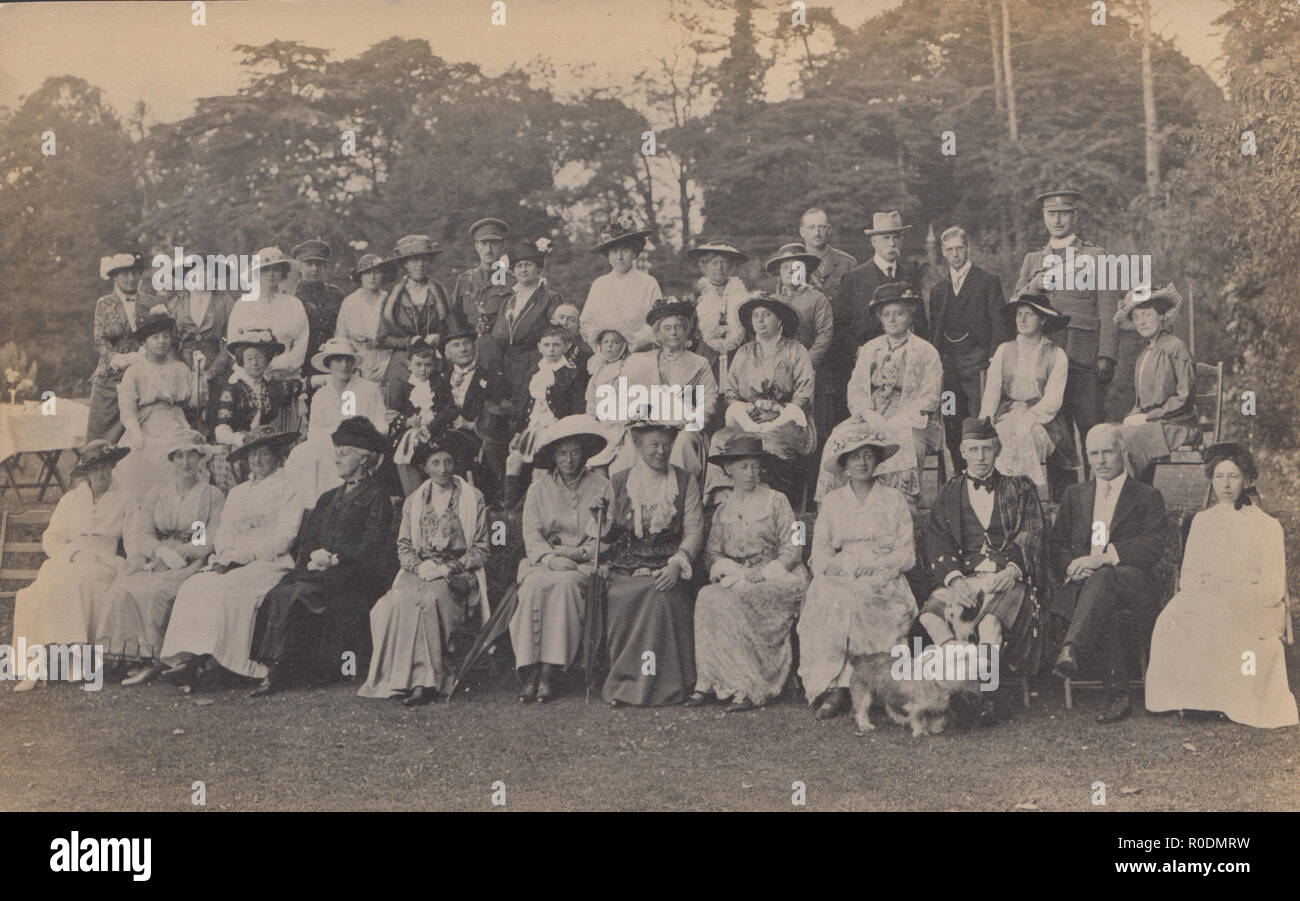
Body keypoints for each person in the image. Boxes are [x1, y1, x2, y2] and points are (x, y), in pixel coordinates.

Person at [1146, 443, 1297, 728]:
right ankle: (1190, 699)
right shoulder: (1202, 522)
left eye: (1233, 476)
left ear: (1247, 480)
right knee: (1174, 615)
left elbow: (1274, 585)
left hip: (1255, 603)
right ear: (1211, 479)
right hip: (1209, 596)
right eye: (1219, 477)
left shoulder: (1266, 526)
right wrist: (1208, 591)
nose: (1226, 484)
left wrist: (1237, 594)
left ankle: (1224, 700)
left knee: (1220, 616)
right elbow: (1189, 576)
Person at [249, 417, 398, 696]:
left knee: (302, 594)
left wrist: (338, 559)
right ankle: (276, 667)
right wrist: (315, 554)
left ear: (364, 458)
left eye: (344, 453)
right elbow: (310, 538)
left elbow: (374, 544)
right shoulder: (328, 497)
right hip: (321, 568)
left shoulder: (377, 496)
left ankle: (285, 671)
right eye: (336, 452)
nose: (337, 458)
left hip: (357, 574)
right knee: (282, 590)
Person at [159, 427, 304, 690]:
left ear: (277, 456)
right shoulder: (237, 493)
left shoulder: (288, 490)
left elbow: (285, 537)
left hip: (269, 562)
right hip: (232, 559)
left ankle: (224, 662)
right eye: (253, 456)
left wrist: (247, 556)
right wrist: (226, 554)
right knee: (196, 586)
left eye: (264, 454)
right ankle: (192, 657)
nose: (257, 461)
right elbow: (223, 532)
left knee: (229, 589)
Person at [1049, 424, 1173, 723]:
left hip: (1134, 584)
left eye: (1108, 451)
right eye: (1094, 453)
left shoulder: (1146, 496)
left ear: (1124, 452)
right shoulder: (1074, 494)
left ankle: (1071, 647)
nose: (1101, 460)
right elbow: (1056, 544)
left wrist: (1103, 559)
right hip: (1087, 589)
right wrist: (1072, 565)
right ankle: (1119, 695)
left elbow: (1154, 546)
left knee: (1104, 575)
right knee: (1107, 605)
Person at [360, 430, 488, 705]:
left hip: (456, 574)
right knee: (396, 602)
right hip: (420, 569)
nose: (442, 469)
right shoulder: (414, 501)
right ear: (424, 467)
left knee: (429, 601)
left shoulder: (471, 498)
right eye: (435, 463)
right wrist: (419, 567)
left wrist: (449, 568)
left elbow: (481, 549)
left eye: (448, 462)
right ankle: (398, 680)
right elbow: (404, 545)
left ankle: (428, 682)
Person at [797, 422, 915, 719]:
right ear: (844, 465)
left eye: (867, 455)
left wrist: (878, 566)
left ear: (876, 460)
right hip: (843, 571)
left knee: (862, 596)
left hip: (881, 573)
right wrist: (833, 568)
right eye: (854, 457)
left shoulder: (893, 499)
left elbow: (906, 551)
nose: (862, 462)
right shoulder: (834, 502)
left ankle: (882, 686)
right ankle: (836, 686)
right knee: (828, 597)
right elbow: (820, 551)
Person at [687, 434, 808, 712]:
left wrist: (763, 573)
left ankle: (751, 686)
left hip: (780, 578)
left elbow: (793, 548)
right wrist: (730, 570)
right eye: (743, 467)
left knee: (739, 599)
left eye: (755, 466)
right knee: (707, 596)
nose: (750, 473)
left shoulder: (777, 501)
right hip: (739, 577)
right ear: (729, 469)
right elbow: (713, 554)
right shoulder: (723, 510)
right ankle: (709, 680)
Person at [919, 418, 1048, 678]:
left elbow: (1032, 532)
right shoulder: (949, 493)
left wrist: (1012, 570)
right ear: (963, 452)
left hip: (1008, 580)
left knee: (990, 624)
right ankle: (964, 680)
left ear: (997, 450)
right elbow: (937, 540)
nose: (981, 457)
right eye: (974, 450)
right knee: (930, 618)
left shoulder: (1020, 487)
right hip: (964, 578)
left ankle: (986, 692)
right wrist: (954, 580)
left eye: (987, 449)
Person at [102, 431, 226, 686]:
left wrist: (181, 552)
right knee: (126, 586)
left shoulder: (211, 495)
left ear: (201, 458)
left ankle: (158, 659)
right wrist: (160, 551)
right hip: (159, 556)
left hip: (191, 561)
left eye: (191, 455)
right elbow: (143, 533)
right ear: (171, 460)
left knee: (160, 591)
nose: (185, 462)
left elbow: (209, 537)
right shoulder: (157, 494)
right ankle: (130, 657)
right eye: (179, 456)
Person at [10, 441, 131, 692]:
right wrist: (72, 553)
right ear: (86, 472)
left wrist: (120, 563)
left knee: (75, 582)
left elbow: (134, 541)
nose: (102, 474)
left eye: (106, 466)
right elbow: (51, 538)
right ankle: (36, 663)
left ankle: (75, 665)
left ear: (113, 466)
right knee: (41, 589)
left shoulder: (125, 499)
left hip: (102, 562)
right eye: (95, 468)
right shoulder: (71, 500)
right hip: (69, 558)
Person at [510, 416, 613, 703]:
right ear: (553, 456)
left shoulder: (601, 485)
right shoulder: (538, 489)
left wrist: (580, 553)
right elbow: (531, 533)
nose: (569, 460)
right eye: (562, 453)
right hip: (546, 561)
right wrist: (550, 558)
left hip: (582, 562)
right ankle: (530, 669)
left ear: (584, 454)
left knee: (565, 586)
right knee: (533, 586)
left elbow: (604, 534)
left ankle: (551, 670)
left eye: (575, 452)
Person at [602, 418, 703, 706]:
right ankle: (627, 684)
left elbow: (694, 529)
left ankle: (663, 686)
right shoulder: (620, 481)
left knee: (661, 596)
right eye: (654, 444)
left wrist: (677, 563)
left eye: (667, 444)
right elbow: (609, 533)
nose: (661, 451)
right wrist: (598, 518)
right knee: (630, 595)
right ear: (638, 444)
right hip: (628, 566)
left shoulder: (685, 481)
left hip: (669, 565)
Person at [1017, 189, 1123, 463]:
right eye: (1051, 214)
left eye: (1063, 213)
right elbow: (1016, 306)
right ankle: (1061, 499)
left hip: (1084, 355)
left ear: (1075, 216)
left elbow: (1109, 309)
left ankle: (1099, 490)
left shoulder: (1097, 256)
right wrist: (1033, 286)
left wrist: (1107, 355)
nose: (1057, 220)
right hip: (1047, 356)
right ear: (1044, 218)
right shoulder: (1033, 260)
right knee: (1053, 428)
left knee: (1092, 426)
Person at [820, 282, 941, 509]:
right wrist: (866, 412)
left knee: (906, 441)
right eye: (887, 314)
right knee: (839, 436)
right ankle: (843, 506)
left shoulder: (926, 350)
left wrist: (901, 418)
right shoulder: (870, 349)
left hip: (911, 416)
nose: (893, 319)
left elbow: (932, 395)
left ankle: (900, 506)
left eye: (899, 313)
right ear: (880, 318)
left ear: (910, 315)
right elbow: (855, 388)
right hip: (871, 412)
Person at [705, 295, 814, 504]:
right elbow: (731, 391)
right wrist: (748, 409)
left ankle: (769, 503)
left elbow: (805, 392)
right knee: (720, 440)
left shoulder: (795, 350)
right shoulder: (744, 352)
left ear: (779, 320)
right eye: (756, 316)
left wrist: (779, 411)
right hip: (749, 419)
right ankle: (724, 501)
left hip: (787, 421)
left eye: (767, 315)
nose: (760, 320)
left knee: (767, 442)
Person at [830, 211, 927, 424]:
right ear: (873, 241)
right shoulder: (855, 278)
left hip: (904, 367)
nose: (891, 242)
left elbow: (920, 323)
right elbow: (839, 326)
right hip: (865, 367)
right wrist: (857, 352)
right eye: (885, 237)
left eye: (896, 237)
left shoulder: (910, 275)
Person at [979, 288, 1073, 498]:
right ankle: (1003, 497)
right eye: (1019, 314)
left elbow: (1053, 400)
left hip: (1044, 421)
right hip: (1008, 413)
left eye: (1029, 314)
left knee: (1025, 434)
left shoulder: (1056, 355)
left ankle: (1022, 496)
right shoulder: (1004, 350)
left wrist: (1029, 418)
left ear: (1042, 320)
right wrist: (985, 420)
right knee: (1001, 435)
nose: (1022, 319)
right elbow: (992, 391)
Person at [927, 226, 1009, 468]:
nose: (955, 254)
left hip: (977, 365)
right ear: (943, 252)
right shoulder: (938, 290)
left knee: (979, 419)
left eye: (959, 248)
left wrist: (993, 358)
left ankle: (984, 471)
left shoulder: (987, 282)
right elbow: (934, 330)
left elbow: (999, 325)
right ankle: (961, 474)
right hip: (949, 369)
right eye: (949, 250)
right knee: (952, 418)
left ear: (968, 249)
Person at [610, 299, 717, 479]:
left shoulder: (699, 363)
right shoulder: (643, 361)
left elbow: (709, 399)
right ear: (658, 334)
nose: (673, 333)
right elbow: (625, 396)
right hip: (651, 425)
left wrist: (692, 421)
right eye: (667, 329)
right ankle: (630, 496)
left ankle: (679, 492)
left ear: (686, 331)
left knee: (683, 442)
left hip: (684, 426)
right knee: (632, 444)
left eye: (678, 327)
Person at [285, 336, 389, 504]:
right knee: (300, 455)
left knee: (345, 458)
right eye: (338, 360)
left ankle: (338, 502)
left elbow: (381, 423)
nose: (344, 365)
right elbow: (315, 432)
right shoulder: (321, 395)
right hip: (328, 445)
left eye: (348, 360)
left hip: (360, 444)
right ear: (328, 364)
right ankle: (313, 505)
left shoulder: (368, 389)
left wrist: (366, 436)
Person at [1112, 284, 1197, 480]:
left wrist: (1149, 417)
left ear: (1161, 316)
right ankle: (1118, 499)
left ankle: (1134, 500)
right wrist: (1133, 416)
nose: (1142, 322)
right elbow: (1141, 403)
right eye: (1137, 317)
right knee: (1109, 437)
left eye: (1147, 315)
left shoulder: (1176, 347)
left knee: (1131, 440)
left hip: (1178, 425)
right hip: (1153, 424)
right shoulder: (1144, 355)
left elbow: (1185, 398)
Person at [114, 311, 199, 498]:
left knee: (183, 455)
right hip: (146, 424)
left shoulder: (180, 369)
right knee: (136, 458)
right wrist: (135, 431)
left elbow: (195, 402)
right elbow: (127, 408)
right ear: (144, 343)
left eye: (165, 336)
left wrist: (200, 374)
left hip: (174, 422)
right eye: (155, 337)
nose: (161, 341)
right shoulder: (134, 372)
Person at [210, 329, 300, 491]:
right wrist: (240, 439)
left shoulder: (271, 387)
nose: (255, 363)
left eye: (259, 358)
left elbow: (299, 385)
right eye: (250, 359)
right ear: (242, 361)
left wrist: (322, 379)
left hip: (265, 442)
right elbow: (221, 430)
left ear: (267, 360)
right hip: (238, 445)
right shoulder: (233, 389)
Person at [377, 234, 452, 401]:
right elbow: (383, 337)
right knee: (395, 397)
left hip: (433, 358)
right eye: (414, 260)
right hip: (403, 359)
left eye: (425, 259)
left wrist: (439, 336)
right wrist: (408, 342)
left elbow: (450, 326)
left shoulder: (438, 290)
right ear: (405, 264)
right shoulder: (393, 294)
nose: (420, 265)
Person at [89, 252, 150, 441]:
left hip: (143, 373)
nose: (131, 279)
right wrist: (116, 358)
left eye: (135, 273)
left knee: (142, 430)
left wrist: (145, 354)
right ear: (114, 276)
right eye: (125, 274)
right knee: (101, 435)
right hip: (111, 375)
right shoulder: (104, 303)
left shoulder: (151, 302)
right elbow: (100, 339)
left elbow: (159, 335)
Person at [579, 216, 662, 354]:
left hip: (640, 354)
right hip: (607, 355)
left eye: (625, 250)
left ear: (635, 253)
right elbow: (586, 322)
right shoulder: (599, 284)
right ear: (608, 256)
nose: (619, 257)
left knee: (626, 377)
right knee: (610, 375)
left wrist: (633, 341)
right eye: (614, 251)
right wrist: (602, 343)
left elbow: (657, 321)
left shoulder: (648, 283)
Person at [225, 247, 310, 381]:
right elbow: (233, 343)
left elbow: (301, 343)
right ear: (257, 273)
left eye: (276, 269)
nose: (271, 274)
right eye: (265, 270)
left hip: (284, 374)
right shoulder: (243, 304)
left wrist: (279, 364)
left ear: (282, 272)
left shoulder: (294, 304)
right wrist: (253, 365)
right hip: (249, 374)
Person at [489, 238, 564, 390]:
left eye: (528, 265)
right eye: (519, 266)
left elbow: (555, 334)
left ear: (538, 268)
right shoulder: (509, 299)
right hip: (506, 365)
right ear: (513, 270)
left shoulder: (550, 298)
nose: (523, 270)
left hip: (534, 364)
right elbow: (498, 334)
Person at [388, 336, 457, 495]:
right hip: (411, 433)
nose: (423, 369)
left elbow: (451, 409)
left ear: (434, 365)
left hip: (437, 431)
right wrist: (407, 421)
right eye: (418, 364)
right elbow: (392, 415)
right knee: (405, 452)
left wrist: (433, 424)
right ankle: (414, 496)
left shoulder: (439, 385)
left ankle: (441, 494)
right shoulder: (403, 387)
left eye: (428, 365)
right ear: (409, 364)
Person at [512, 324, 586, 462]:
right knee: (515, 460)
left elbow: (578, 406)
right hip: (533, 425)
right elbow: (523, 402)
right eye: (546, 345)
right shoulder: (534, 371)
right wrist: (517, 431)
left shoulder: (571, 373)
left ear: (566, 346)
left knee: (543, 464)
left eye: (556, 345)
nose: (551, 349)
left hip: (557, 427)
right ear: (540, 347)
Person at [451, 217, 515, 369]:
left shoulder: (513, 281)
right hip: (470, 352)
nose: (488, 249)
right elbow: (456, 317)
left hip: (503, 352)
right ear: (476, 246)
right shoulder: (465, 280)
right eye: (484, 243)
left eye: (494, 243)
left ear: (503, 246)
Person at [688, 239, 750, 381]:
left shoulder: (743, 295)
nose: (719, 268)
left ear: (730, 266)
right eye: (714, 263)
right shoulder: (695, 297)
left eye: (724, 262)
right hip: (706, 356)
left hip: (737, 357)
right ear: (705, 266)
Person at [334, 252, 395, 384]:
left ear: (383, 275)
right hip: (356, 363)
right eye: (367, 272)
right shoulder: (349, 302)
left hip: (384, 362)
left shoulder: (391, 301)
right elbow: (341, 338)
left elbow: (400, 338)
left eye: (377, 272)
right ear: (360, 276)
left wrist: (389, 364)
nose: (372, 277)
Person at [292, 239, 348, 378]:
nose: (314, 269)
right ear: (300, 266)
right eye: (309, 264)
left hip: (330, 360)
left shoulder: (336, 295)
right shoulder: (291, 295)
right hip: (300, 361)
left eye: (319, 264)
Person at [797, 207, 857, 302]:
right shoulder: (793, 264)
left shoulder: (847, 263)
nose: (817, 233)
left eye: (822, 227)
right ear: (802, 232)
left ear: (829, 229)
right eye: (811, 227)